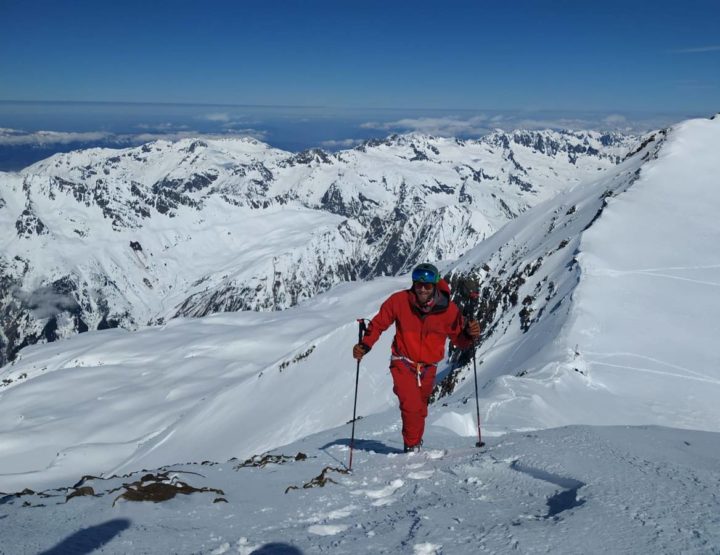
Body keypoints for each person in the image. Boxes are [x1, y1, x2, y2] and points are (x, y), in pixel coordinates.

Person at [353, 263, 481, 452]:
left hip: (429, 368)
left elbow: (460, 340)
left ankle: (415, 443)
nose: (422, 288)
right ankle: (411, 448)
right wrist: (365, 345)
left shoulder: (449, 311)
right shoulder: (399, 301)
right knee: (411, 406)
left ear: (435, 286)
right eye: (418, 283)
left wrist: (470, 335)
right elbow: (379, 323)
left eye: (427, 285)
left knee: (420, 410)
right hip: (402, 361)